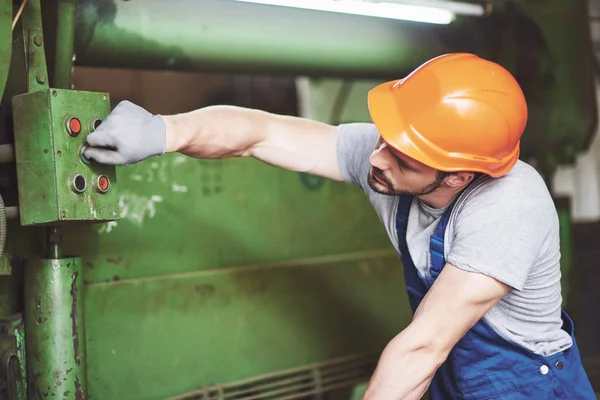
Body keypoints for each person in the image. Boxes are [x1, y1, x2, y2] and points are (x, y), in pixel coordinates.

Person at [83, 53, 596, 400]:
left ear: (459, 174)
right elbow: (260, 133)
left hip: (526, 385)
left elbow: (421, 348)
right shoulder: (393, 155)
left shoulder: (509, 208)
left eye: (404, 159)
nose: (375, 160)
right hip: (450, 374)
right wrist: (167, 129)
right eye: (385, 140)